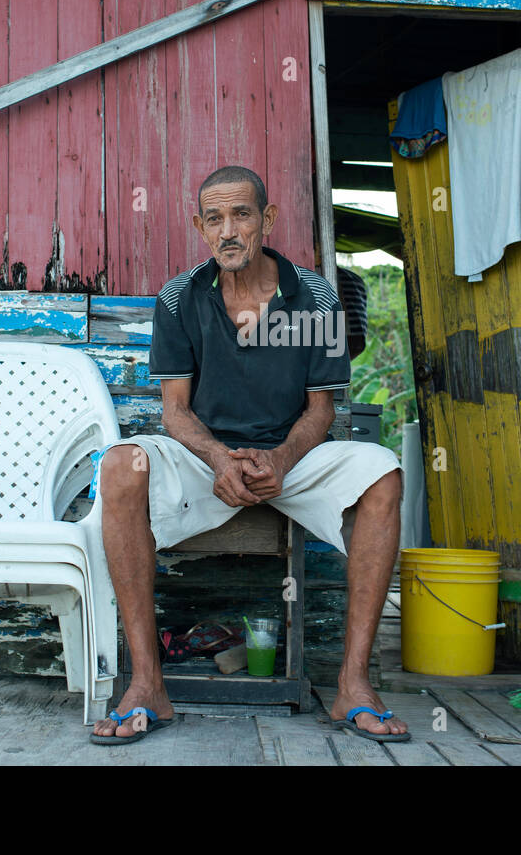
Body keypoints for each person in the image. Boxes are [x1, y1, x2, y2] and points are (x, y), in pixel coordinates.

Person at [90, 165, 409, 745]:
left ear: (268, 219)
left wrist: (282, 461)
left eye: (241, 215)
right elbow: (175, 412)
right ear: (200, 226)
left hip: (293, 458)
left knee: (383, 473)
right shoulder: (176, 297)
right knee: (120, 465)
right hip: (207, 457)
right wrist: (217, 458)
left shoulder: (318, 297)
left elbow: (322, 412)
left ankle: (353, 687)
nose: (229, 230)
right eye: (215, 219)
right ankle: (147, 685)